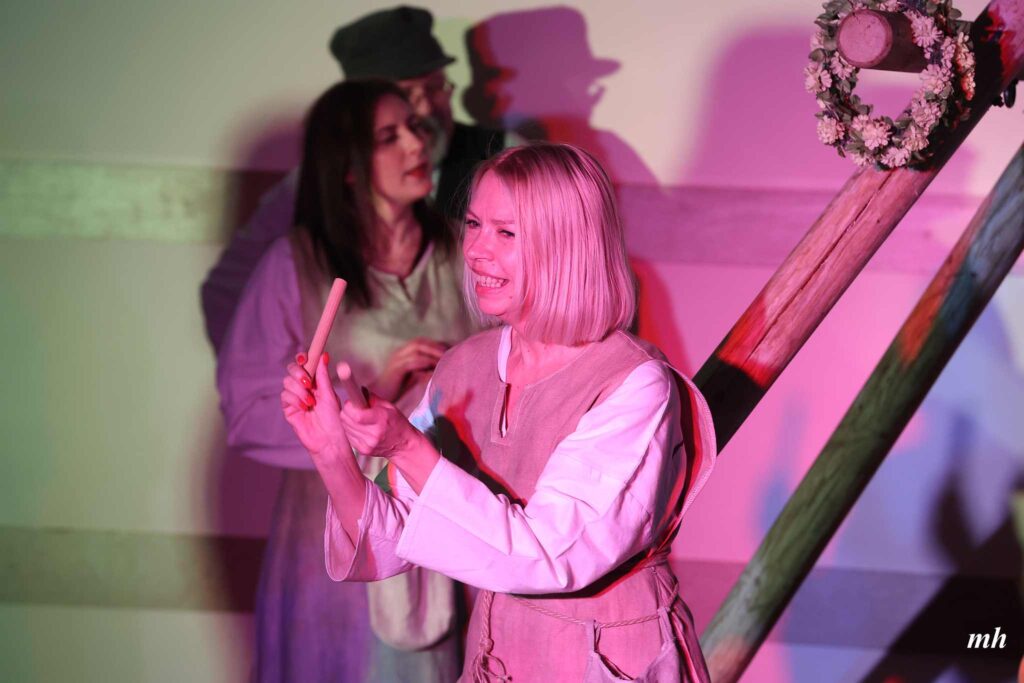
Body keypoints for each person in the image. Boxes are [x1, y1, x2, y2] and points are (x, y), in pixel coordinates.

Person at [281, 143, 717, 681]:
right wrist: (330, 451)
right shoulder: (464, 366)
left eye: (505, 233)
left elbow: (549, 555)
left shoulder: (633, 383)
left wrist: (408, 448)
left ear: (566, 244)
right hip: (498, 657)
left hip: (605, 663)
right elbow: (392, 541)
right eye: (473, 225)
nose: (476, 250)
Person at [217, 79, 474, 682]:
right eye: (390, 136)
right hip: (333, 540)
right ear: (350, 167)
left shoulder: (461, 254)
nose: (416, 144)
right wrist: (368, 397)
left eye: (415, 127)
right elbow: (247, 409)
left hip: (437, 534)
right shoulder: (298, 264)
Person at [202, 5, 515, 352]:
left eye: (435, 87)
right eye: (407, 95)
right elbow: (228, 293)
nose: (426, 108)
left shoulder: (503, 155)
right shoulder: (310, 190)